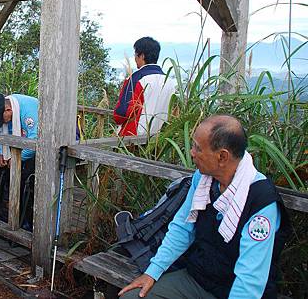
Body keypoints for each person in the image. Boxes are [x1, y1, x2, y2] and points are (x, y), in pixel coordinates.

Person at [119, 115, 289, 299]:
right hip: (198, 278)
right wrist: (152, 272)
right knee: (131, 297)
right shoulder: (203, 180)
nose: (191, 152)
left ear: (222, 156)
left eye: (198, 148)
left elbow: (250, 277)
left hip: (236, 289)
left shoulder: (261, 201)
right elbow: (182, 228)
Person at [0, 93, 38, 229]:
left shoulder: (28, 112)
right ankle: (7, 213)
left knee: (26, 176)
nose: (2, 123)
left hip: (44, 144)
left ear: (8, 110)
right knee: (7, 172)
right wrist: (2, 153)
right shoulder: (6, 105)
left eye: (2, 119)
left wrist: (16, 158)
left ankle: (27, 219)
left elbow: (35, 141)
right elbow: (4, 133)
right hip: (23, 144)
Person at [113, 37, 175, 137]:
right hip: (159, 140)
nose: (135, 58)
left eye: (135, 55)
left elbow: (121, 113)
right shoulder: (170, 82)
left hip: (133, 140)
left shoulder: (136, 79)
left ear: (141, 56)